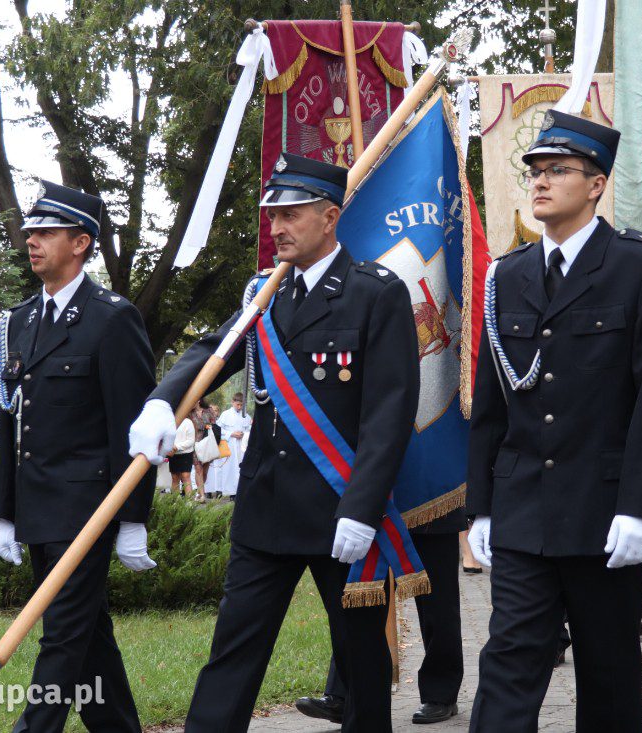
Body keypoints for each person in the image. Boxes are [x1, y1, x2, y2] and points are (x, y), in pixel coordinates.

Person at [128, 154, 419, 731]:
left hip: (340, 513)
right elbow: (211, 351)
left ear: (330, 217)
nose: (277, 227)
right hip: (265, 510)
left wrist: (362, 508)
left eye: (291, 214)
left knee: (361, 662)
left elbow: (389, 413)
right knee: (232, 657)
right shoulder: (264, 293)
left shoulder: (374, 292)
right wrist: (162, 400)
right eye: (272, 216)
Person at [465, 110, 642, 732]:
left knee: (608, 676)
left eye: (558, 169)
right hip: (523, 509)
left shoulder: (639, 265)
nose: (540, 181)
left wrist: (641, 508)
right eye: (534, 169)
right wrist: (482, 506)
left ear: (596, 184)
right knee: (508, 666)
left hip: (604, 512)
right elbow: (491, 403)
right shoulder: (507, 275)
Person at [0, 181, 157, 732]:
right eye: (30, 232)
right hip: (38, 507)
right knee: (89, 639)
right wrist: (4, 511)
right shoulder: (19, 320)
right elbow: (11, 422)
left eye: (46, 232)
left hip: (89, 510)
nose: (31, 241)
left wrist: (131, 518)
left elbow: (133, 430)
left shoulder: (112, 319)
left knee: (61, 636)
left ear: (81, 242)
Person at [297, 507, 467, 726]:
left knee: (438, 602)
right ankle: (344, 694)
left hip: (429, 503)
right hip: (374, 507)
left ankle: (441, 692)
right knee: (361, 601)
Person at [213, 393, 252, 499]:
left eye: (241, 405)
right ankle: (229, 491)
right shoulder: (226, 414)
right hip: (230, 444)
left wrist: (244, 434)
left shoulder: (246, 415)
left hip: (241, 446)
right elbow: (218, 429)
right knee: (229, 468)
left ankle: (238, 491)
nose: (239, 407)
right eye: (237, 404)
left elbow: (249, 429)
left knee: (239, 467)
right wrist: (231, 434)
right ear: (232, 402)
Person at [170, 412, 196, 498]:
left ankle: (189, 502)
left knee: (186, 476)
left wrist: (177, 447)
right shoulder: (170, 421)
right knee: (175, 477)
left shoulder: (188, 422)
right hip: (173, 454)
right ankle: (174, 501)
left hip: (186, 453)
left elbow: (191, 441)